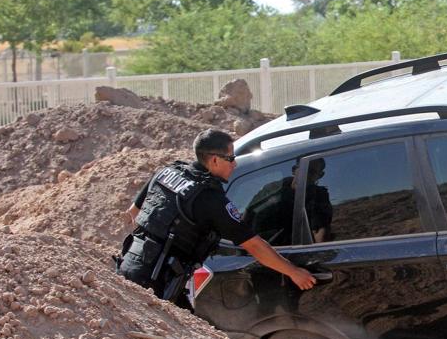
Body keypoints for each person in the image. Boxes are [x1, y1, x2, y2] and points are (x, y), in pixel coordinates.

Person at [117, 128, 316, 304]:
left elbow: (134, 213)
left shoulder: (167, 171)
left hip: (129, 264)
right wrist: (294, 272)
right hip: (155, 282)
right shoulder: (209, 199)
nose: (235, 164)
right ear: (214, 160)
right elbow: (254, 245)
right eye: (231, 158)